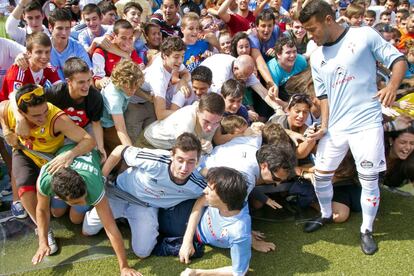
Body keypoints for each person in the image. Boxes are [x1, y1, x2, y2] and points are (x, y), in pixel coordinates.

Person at [299, 0, 407, 255]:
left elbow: (399, 60)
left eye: (313, 29)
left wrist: (392, 86)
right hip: (336, 127)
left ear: (328, 19)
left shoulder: (364, 35)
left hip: (366, 124)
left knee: (368, 180)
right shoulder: (316, 57)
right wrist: (323, 126)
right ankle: (326, 214)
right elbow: (323, 96)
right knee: (322, 174)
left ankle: (366, 230)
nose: (310, 36)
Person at [0, 84, 95, 250]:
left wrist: (70, 154)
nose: (43, 117)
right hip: (26, 153)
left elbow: (89, 140)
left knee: (63, 212)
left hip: (52, 156)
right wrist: (7, 130)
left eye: (45, 111)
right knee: (23, 184)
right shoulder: (11, 111)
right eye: (36, 115)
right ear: (22, 113)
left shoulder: (57, 119)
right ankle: (43, 229)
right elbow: (2, 108)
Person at [83, 133, 207, 258]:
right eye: (180, 160)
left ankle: (127, 221)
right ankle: (121, 218)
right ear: (172, 155)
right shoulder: (155, 160)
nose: (184, 168)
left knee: (142, 252)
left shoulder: (197, 184)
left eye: (191, 161)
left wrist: (187, 240)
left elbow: (211, 194)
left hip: (145, 207)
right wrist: (102, 179)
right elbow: (120, 150)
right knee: (87, 231)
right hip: (120, 194)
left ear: (198, 161)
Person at [32, 145, 141, 276]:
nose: (85, 203)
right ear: (57, 195)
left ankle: (76, 207)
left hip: (89, 160)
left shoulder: (93, 187)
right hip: (66, 150)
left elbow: (110, 228)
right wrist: (43, 242)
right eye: (77, 201)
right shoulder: (44, 180)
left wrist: (124, 266)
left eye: (83, 198)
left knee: (75, 218)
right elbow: (42, 210)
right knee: (56, 212)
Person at [178, 167, 252, 276]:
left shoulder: (239, 233)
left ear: (224, 199)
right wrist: (187, 241)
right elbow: (200, 202)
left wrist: (198, 273)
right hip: (192, 215)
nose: (204, 191)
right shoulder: (233, 199)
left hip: (195, 234)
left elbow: (239, 272)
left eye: (209, 189)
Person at [139, 93, 224, 153]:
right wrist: (203, 148)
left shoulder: (213, 121)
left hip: (169, 148)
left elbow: (203, 150)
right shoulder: (186, 120)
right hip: (149, 142)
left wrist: (207, 147)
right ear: (198, 111)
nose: (210, 127)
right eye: (206, 121)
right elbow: (186, 153)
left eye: (216, 123)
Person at [200, 54, 283, 112]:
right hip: (204, 90)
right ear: (235, 68)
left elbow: (263, 92)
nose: (246, 79)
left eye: (248, 76)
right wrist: (245, 111)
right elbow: (219, 96)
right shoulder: (223, 71)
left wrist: (277, 108)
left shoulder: (245, 71)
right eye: (243, 76)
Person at [100, 60, 146, 155]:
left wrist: (148, 97)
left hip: (119, 113)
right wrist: (131, 154)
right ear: (121, 83)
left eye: (135, 87)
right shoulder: (114, 99)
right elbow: (121, 130)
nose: (133, 91)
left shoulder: (128, 84)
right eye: (130, 88)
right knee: (119, 151)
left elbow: (134, 87)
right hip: (107, 124)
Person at [143, 36, 191, 120]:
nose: (180, 61)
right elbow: (161, 114)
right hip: (136, 101)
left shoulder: (170, 61)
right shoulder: (158, 78)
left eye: (182, 56)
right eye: (176, 57)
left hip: (151, 96)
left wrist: (183, 81)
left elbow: (186, 73)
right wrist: (190, 113)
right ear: (165, 56)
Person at [48, 8, 92, 80]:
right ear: (50, 27)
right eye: (60, 28)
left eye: (67, 28)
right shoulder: (43, 48)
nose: (64, 33)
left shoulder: (78, 48)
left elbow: (88, 77)